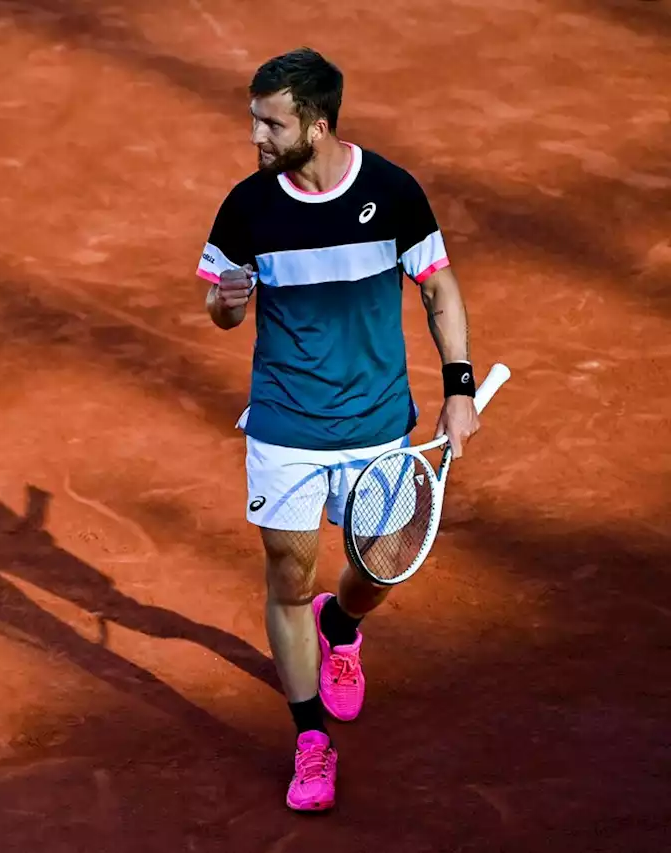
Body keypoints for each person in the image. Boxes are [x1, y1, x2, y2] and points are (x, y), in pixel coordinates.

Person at [196, 47, 480, 812]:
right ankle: (310, 737)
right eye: (254, 118)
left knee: (379, 567)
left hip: (377, 424)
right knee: (289, 579)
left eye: (270, 122)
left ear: (317, 126)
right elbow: (219, 310)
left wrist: (459, 390)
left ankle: (343, 626)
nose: (254, 134)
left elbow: (439, 287)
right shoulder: (247, 207)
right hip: (286, 425)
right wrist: (228, 300)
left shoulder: (390, 193)